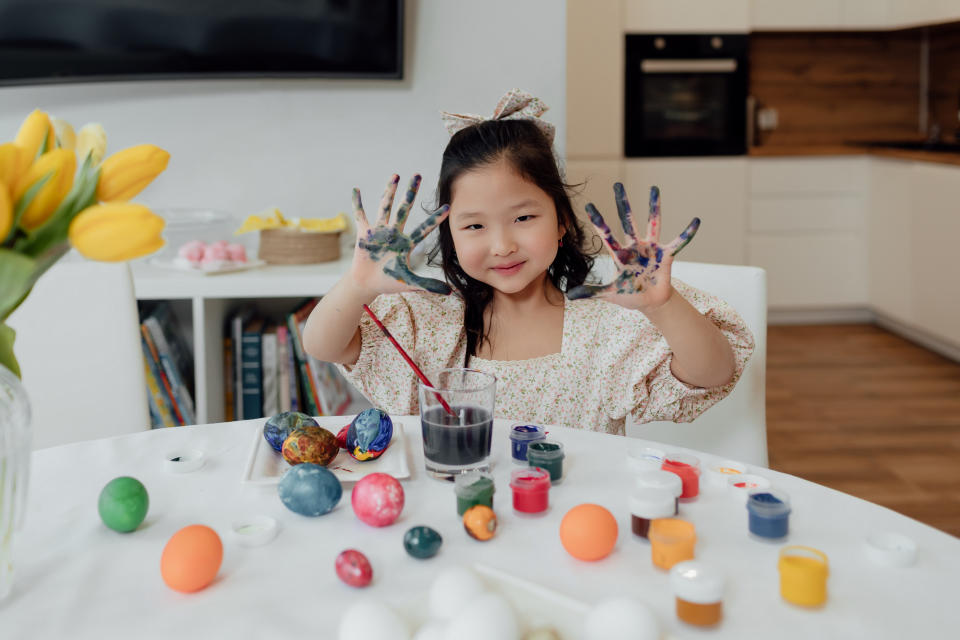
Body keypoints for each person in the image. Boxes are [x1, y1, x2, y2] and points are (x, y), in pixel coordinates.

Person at [303, 89, 754, 435]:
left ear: (561, 221)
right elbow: (324, 346)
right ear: (450, 235)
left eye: (523, 217)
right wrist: (359, 284)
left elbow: (712, 373)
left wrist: (662, 305)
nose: (501, 245)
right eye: (475, 226)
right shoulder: (431, 321)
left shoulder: (607, 326)